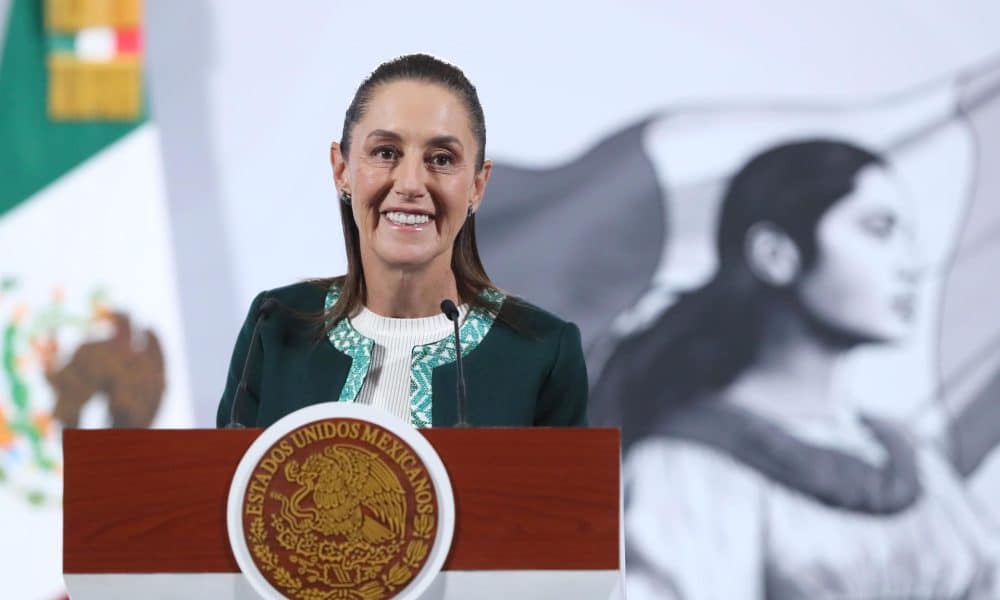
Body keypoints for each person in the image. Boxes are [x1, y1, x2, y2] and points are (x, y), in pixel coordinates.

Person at [592, 140, 1000, 598]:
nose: (909, 264)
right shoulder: (688, 466)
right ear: (775, 254)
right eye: (878, 229)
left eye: (908, 234)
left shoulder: (913, 460)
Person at [216, 54, 588, 429]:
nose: (411, 184)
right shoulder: (274, 325)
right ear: (341, 169)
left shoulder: (543, 352)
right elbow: (223, 485)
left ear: (477, 185)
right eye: (386, 153)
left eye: (441, 159)